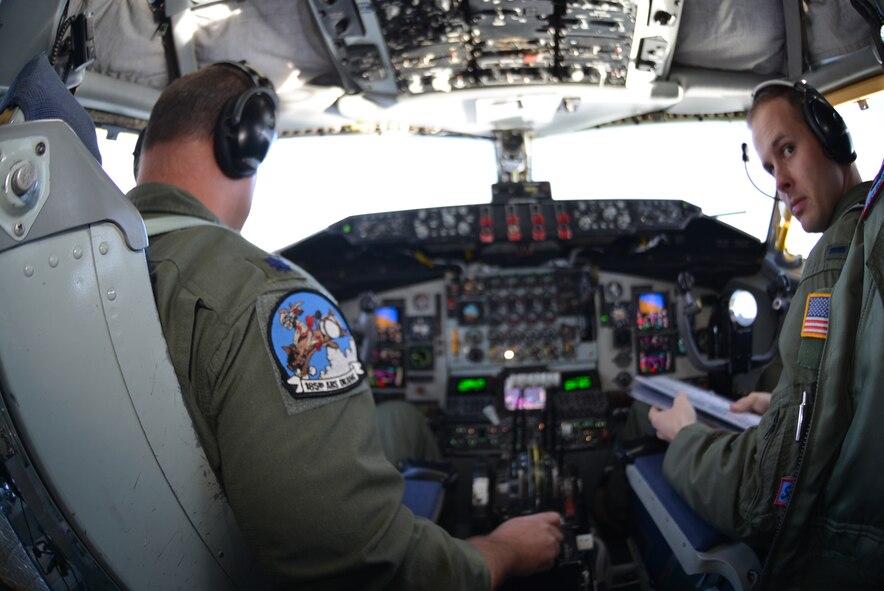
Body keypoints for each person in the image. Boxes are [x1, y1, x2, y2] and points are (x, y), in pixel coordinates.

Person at [129, 61, 562, 590]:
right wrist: (499, 552)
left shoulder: (96, 261)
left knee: (400, 417)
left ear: (142, 154)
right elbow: (356, 563)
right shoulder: (271, 301)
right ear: (246, 141)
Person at [648, 80, 883, 588]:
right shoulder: (867, 233)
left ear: (834, 139)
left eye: (788, 150)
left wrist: (685, 436)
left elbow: (764, 495)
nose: (780, 181)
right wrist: (782, 404)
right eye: (770, 167)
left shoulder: (834, 263)